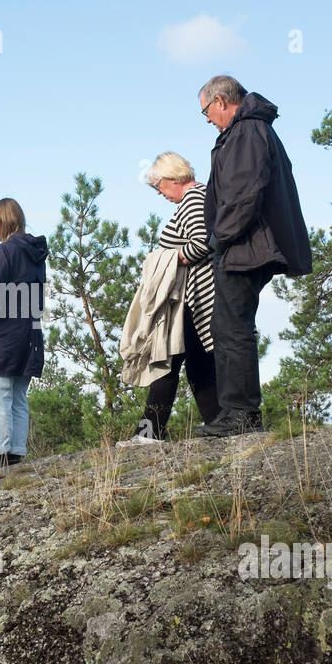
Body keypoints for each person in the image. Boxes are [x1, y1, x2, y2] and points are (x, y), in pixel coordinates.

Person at [194, 75, 312, 438]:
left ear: (220, 100)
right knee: (226, 325)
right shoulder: (249, 131)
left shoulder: (246, 132)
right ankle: (235, 412)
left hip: (245, 246)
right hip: (244, 244)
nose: (208, 120)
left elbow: (246, 192)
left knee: (232, 326)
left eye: (206, 112)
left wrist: (220, 237)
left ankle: (242, 414)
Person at [117, 152, 221, 445]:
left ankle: (150, 433)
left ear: (173, 177)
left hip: (190, 298)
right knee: (199, 367)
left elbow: (202, 243)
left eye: (159, 186)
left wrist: (169, 258)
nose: (159, 193)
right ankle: (220, 424)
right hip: (195, 296)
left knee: (166, 360)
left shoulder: (192, 199)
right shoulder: (201, 195)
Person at [0, 198, 47, 469]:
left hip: (4, 337)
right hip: (30, 334)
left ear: (3, 221)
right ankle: (16, 456)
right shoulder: (36, 255)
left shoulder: (3, 252)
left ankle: (0, 458)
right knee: (18, 398)